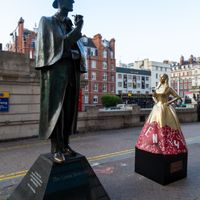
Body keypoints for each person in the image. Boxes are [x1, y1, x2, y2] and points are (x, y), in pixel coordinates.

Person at [35, 0, 86, 163]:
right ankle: (56, 148)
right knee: (57, 112)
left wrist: (75, 31)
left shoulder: (70, 25)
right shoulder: (47, 21)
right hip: (57, 74)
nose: (72, 1)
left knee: (69, 112)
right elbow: (58, 45)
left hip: (72, 73)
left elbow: (78, 50)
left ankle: (65, 145)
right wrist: (78, 30)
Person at [135, 74, 187, 155]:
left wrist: (168, 103)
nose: (161, 78)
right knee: (154, 125)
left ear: (166, 78)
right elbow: (153, 96)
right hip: (157, 108)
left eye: (162, 77)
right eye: (160, 77)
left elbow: (177, 96)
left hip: (165, 108)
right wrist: (156, 102)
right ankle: (154, 143)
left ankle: (166, 144)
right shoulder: (158, 88)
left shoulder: (169, 88)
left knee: (164, 125)